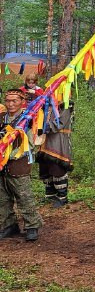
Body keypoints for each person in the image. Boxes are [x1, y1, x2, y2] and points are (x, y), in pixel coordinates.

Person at [0, 88, 43, 241]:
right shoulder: (2, 118)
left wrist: (9, 155)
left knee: (24, 197)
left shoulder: (27, 119)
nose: (10, 104)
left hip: (19, 164)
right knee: (2, 198)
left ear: (22, 102)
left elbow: (29, 144)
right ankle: (8, 225)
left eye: (14, 101)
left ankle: (32, 226)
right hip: (2, 165)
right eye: (8, 101)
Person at [36, 99, 74, 208]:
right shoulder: (44, 102)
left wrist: (45, 126)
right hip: (44, 140)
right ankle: (50, 195)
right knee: (45, 167)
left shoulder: (66, 104)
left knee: (57, 167)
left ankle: (62, 197)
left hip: (58, 140)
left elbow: (61, 122)